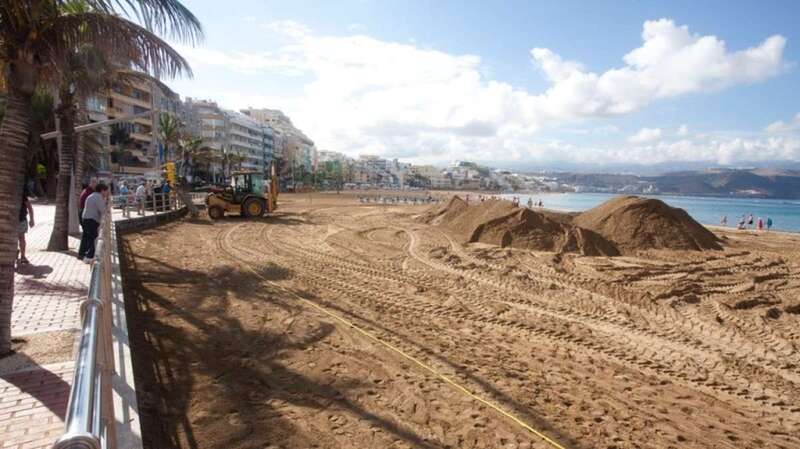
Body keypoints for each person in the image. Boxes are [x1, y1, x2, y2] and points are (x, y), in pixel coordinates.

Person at [78, 183, 109, 263]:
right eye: (106, 191)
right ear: (102, 191)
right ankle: (88, 257)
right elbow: (103, 210)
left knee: (87, 237)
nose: (107, 193)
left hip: (85, 218)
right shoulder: (98, 197)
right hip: (91, 219)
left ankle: (82, 254)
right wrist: (105, 203)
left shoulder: (93, 195)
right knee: (93, 237)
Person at [18, 186, 35, 265]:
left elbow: (30, 208)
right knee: (21, 238)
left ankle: (22, 256)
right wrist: (31, 220)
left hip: (19, 220)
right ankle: (22, 256)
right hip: (21, 220)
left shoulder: (22, 197)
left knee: (20, 238)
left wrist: (32, 219)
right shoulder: (23, 197)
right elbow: (30, 208)